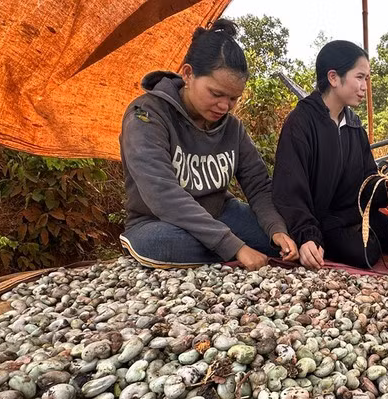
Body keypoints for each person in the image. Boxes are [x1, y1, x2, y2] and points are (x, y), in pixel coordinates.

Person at [119, 19, 298, 270]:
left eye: (234, 98)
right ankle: (226, 251)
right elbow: (162, 194)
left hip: (221, 215)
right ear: (188, 74)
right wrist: (235, 246)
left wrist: (276, 229)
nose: (224, 106)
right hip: (160, 222)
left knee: (286, 237)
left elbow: (258, 186)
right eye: (215, 94)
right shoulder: (147, 115)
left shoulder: (232, 128)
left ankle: (221, 250)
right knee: (158, 245)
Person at [272, 40, 388, 270]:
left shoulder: (353, 125)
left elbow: (367, 182)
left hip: (355, 218)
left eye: (366, 79)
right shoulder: (301, 122)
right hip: (321, 224)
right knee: (365, 252)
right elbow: (289, 192)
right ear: (333, 77)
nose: (364, 87)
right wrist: (307, 235)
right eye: (359, 77)